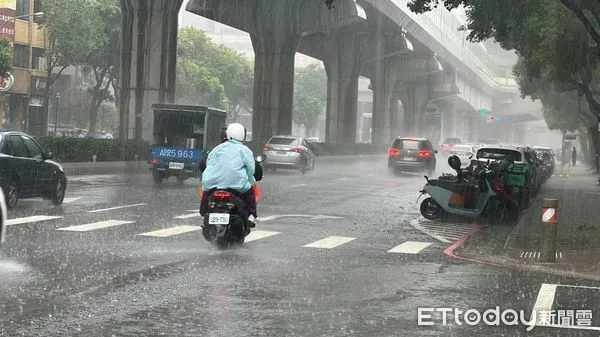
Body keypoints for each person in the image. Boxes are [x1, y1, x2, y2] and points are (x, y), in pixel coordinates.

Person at [199, 123, 257, 225]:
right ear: (242, 135)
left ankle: (203, 210)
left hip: (213, 182)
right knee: (250, 193)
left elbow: (209, 163)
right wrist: (250, 180)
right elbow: (250, 168)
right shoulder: (245, 150)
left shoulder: (217, 148)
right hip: (236, 184)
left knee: (206, 190)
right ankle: (252, 215)